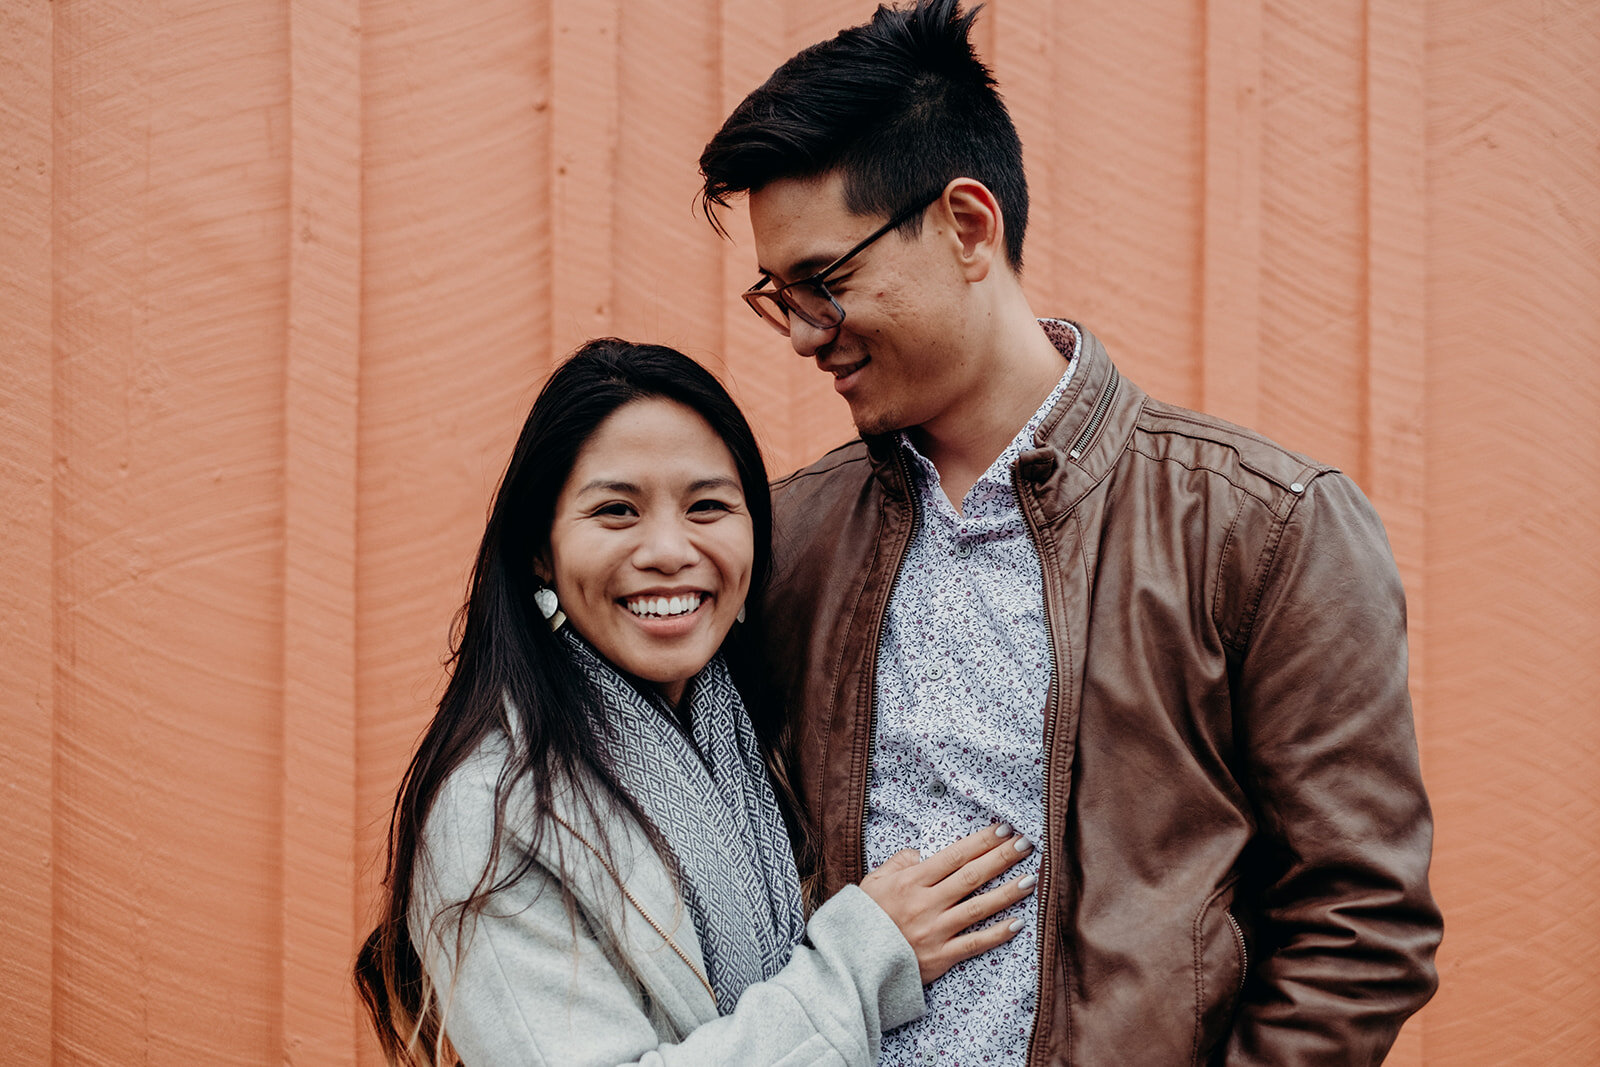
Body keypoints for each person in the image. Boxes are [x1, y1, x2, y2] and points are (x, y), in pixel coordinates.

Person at [697, 2, 1443, 1064]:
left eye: (826, 283)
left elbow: (1361, 920)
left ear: (966, 224)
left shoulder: (1261, 524)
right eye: (781, 298)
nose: (807, 335)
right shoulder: (788, 539)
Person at [354, 338, 1039, 1067]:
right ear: (540, 551)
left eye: (708, 504)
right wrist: (866, 958)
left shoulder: (764, 724)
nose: (670, 550)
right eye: (616, 510)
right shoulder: (494, 814)